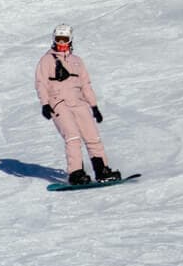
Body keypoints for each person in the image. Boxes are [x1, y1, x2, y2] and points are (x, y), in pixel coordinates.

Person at [36, 25, 121, 185]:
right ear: (54, 39)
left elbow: (86, 85)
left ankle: (102, 170)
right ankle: (76, 173)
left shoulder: (77, 61)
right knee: (73, 136)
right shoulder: (46, 60)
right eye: (59, 39)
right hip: (59, 102)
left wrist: (94, 106)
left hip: (79, 102)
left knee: (92, 136)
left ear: (70, 40)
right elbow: (41, 83)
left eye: (65, 39)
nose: (62, 43)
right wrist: (45, 104)